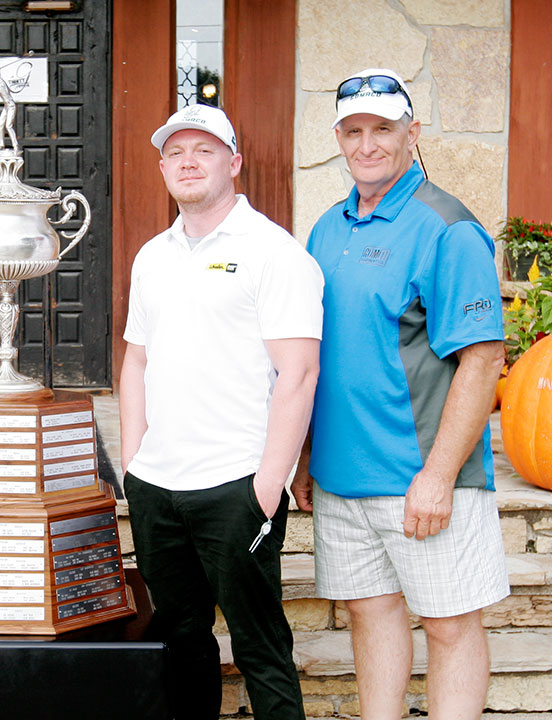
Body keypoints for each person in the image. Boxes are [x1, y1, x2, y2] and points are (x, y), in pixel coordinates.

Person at [292, 68, 509, 719]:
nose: (367, 144)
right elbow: (315, 353)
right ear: (338, 138)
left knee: (448, 626)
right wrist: (305, 456)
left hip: (422, 478)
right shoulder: (327, 229)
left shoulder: (448, 228)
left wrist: (439, 476)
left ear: (412, 134)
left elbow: (484, 357)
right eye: (353, 130)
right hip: (342, 478)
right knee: (371, 615)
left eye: (382, 129)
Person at [119, 104, 324, 720]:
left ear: (233, 163)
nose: (188, 161)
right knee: (181, 638)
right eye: (176, 152)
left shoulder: (273, 252)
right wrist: (134, 463)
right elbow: (134, 363)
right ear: (161, 168)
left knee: (261, 646)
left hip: (236, 486)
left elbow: (301, 371)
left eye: (204, 150)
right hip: (159, 487)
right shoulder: (152, 256)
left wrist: (268, 485)